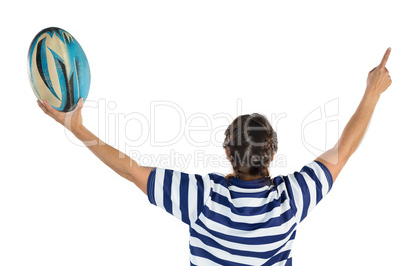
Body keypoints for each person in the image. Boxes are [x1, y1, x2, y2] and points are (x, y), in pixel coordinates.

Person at [37, 48, 392, 265]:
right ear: (273, 152)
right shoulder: (292, 200)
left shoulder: (201, 199)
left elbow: (131, 171)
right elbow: (343, 150)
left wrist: (76, 127)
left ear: (227, 152)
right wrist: (373, 91)